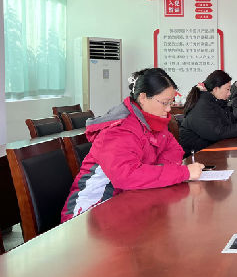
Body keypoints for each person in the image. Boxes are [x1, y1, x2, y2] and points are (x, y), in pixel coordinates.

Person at [61, 68, 204, 222]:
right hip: (91, 212)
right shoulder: (118, 129)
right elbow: (127, 176)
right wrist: (181, 173)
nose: (169, 108)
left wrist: (159, 173)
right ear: (143, 97)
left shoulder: (152, 120)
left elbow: (173, 149)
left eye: (171, 102)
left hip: (128, 200)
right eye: (165, 103)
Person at [180, 70, 237, 155]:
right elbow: (216, 132)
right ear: (216, 89)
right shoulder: (201, 104)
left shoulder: (216, 102)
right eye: (227, 89)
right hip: (197, 155)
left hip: (212, 151)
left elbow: (230, 122)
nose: (229, 93)